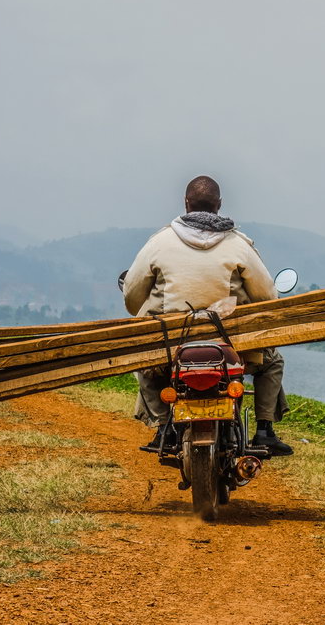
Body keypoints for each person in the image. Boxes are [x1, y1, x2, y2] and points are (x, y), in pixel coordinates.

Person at [122, 175, 293, 456]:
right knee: (271, 362)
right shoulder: (239, 244)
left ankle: (164, 426)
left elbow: (132, 300)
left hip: (173, 347)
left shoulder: (159, 242)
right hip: (232, 347)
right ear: (219, 205)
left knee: (145, 363)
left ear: (186, 203)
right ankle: (264, 430)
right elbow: (267, 298)